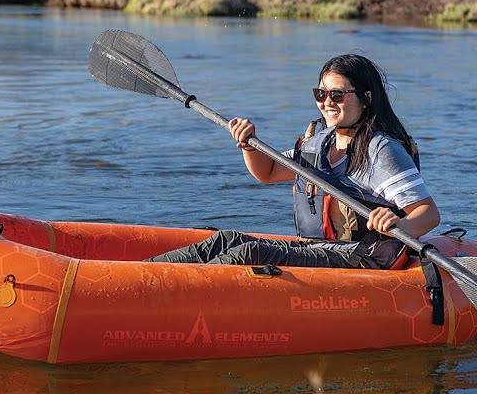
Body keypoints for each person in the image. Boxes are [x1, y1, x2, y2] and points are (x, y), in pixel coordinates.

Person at [146, 54, 439, 269]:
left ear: (366, 98)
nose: (327, 102)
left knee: (250, 253)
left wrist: (398, 221)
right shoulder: (319, 143)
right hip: (316, 249)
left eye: (337, 94)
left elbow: (428, 214)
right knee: (224, 240)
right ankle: (141, 274)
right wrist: (248, 144)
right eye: (321, 94)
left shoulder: (381, 150)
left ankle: (168, 291)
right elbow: (268, 172)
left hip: (359, 256)